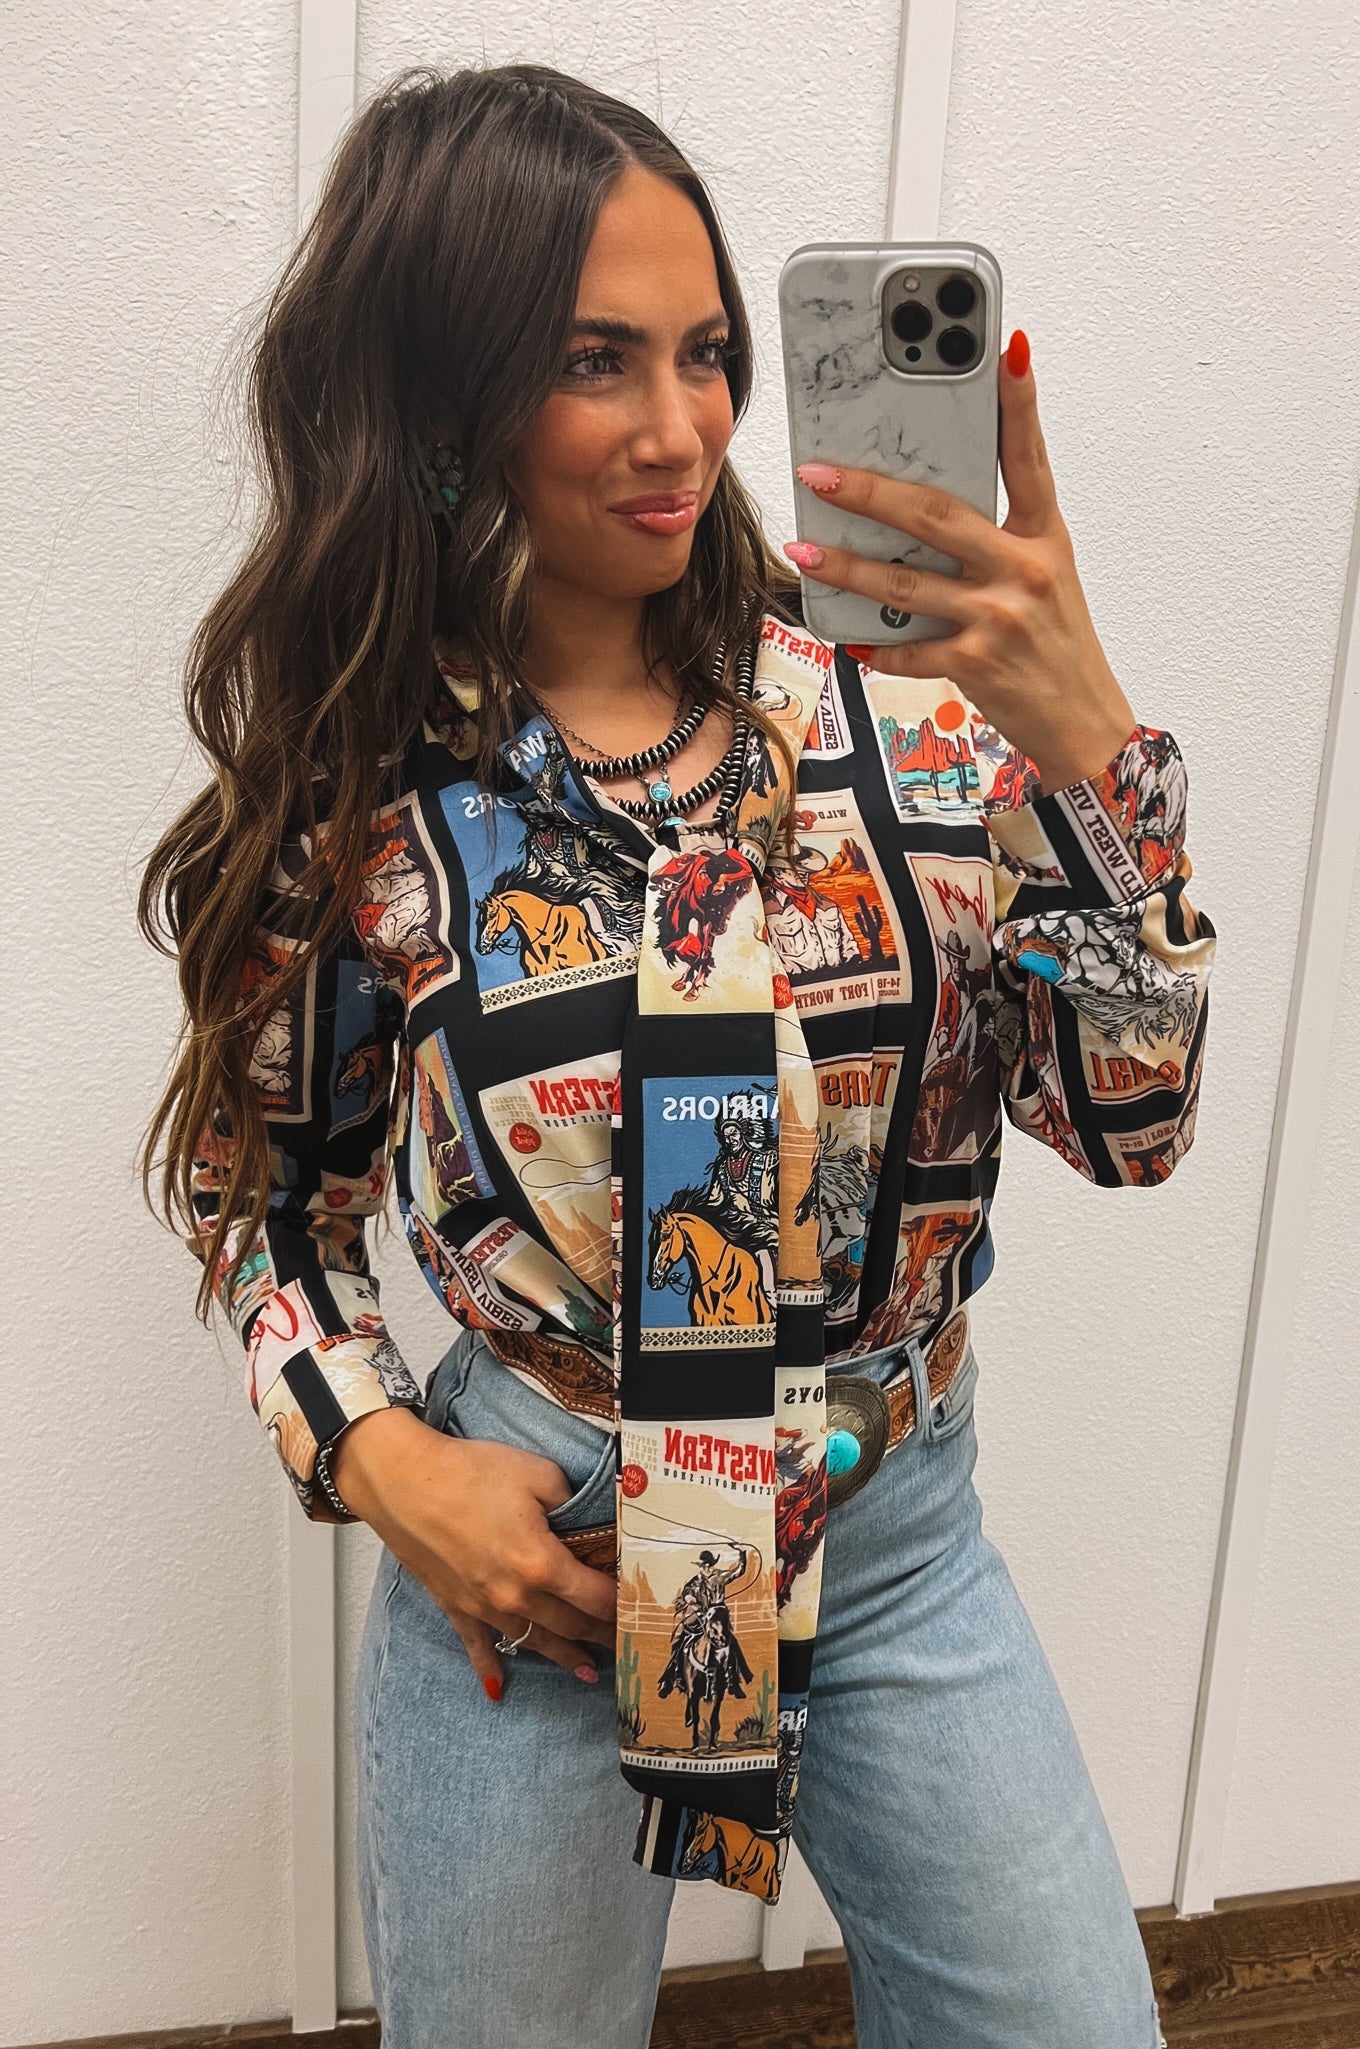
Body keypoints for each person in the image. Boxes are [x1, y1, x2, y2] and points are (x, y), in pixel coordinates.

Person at [140, 59, 1215, 2049]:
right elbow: (258, 1202)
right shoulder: (365, 793)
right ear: (448, 396)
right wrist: (385, 1459)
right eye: (595, 360)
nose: (682, 427)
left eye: (709, 351)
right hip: (545, 1561)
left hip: (891, 1536)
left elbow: (1129, 1121)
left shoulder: (903, 696)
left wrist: (1088, 755)